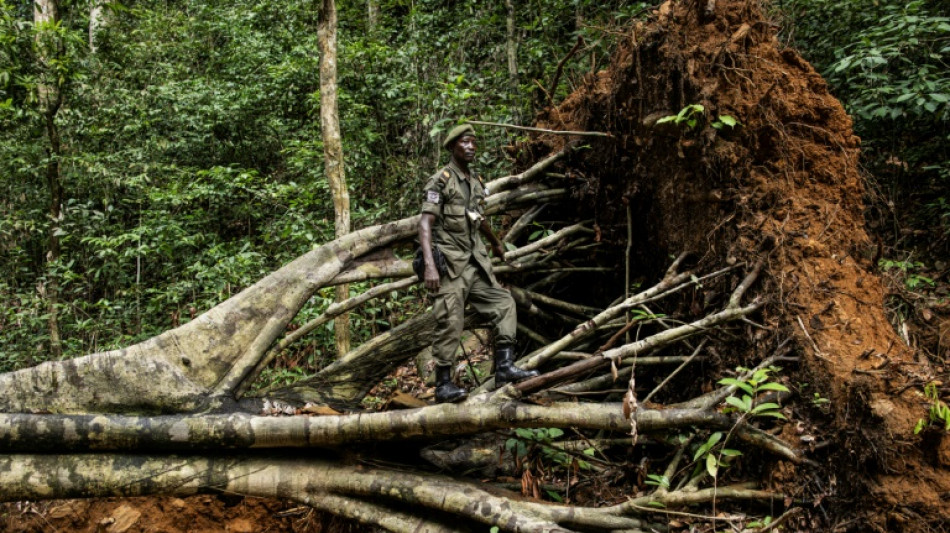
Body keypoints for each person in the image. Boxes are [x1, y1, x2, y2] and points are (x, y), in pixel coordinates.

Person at [419, 123, 539, 403]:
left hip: (476, 262)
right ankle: (443, 384)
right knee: (451, 318)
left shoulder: (475, 182)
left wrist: (496, 242)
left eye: (474, 142)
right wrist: (429, 265)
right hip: (449, 263)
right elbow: (425, 224)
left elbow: (476, 217)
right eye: (465, 142)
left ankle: (505, 367)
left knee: (504, 302)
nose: (471, 147)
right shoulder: (441, 181)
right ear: (452, 147)